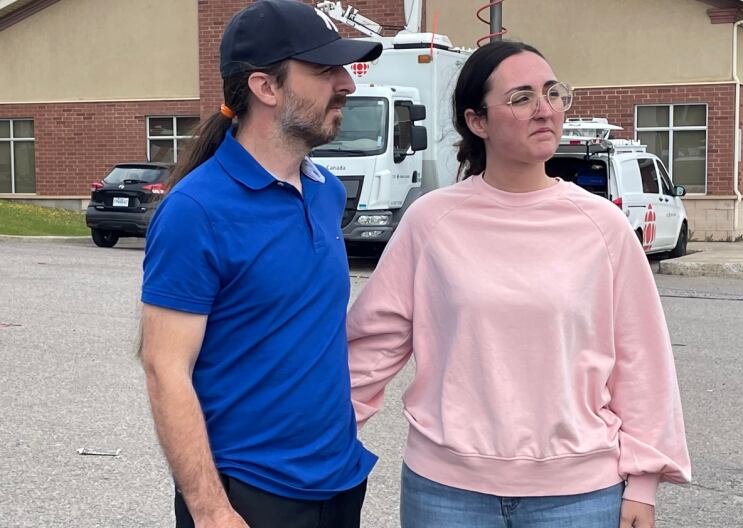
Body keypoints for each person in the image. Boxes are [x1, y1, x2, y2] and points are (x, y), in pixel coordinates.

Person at [347, 41, 691, 528]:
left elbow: (641, 359)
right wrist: (325, 437)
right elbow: (372, 345)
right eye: (521, 97)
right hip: (446, 492)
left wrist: (643, 481)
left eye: (553, 93)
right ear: (477, 121)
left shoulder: (602, 226)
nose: (545, 110)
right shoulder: (431, 221)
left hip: (579, 495)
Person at [139, 2, 382, 527]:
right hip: (250, 495)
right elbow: (165, 369)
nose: (346, 84)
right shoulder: (196, 210)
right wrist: (209, 510)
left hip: (338, 480)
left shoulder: (325, 192)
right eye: (324, 71)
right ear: (265, 88)